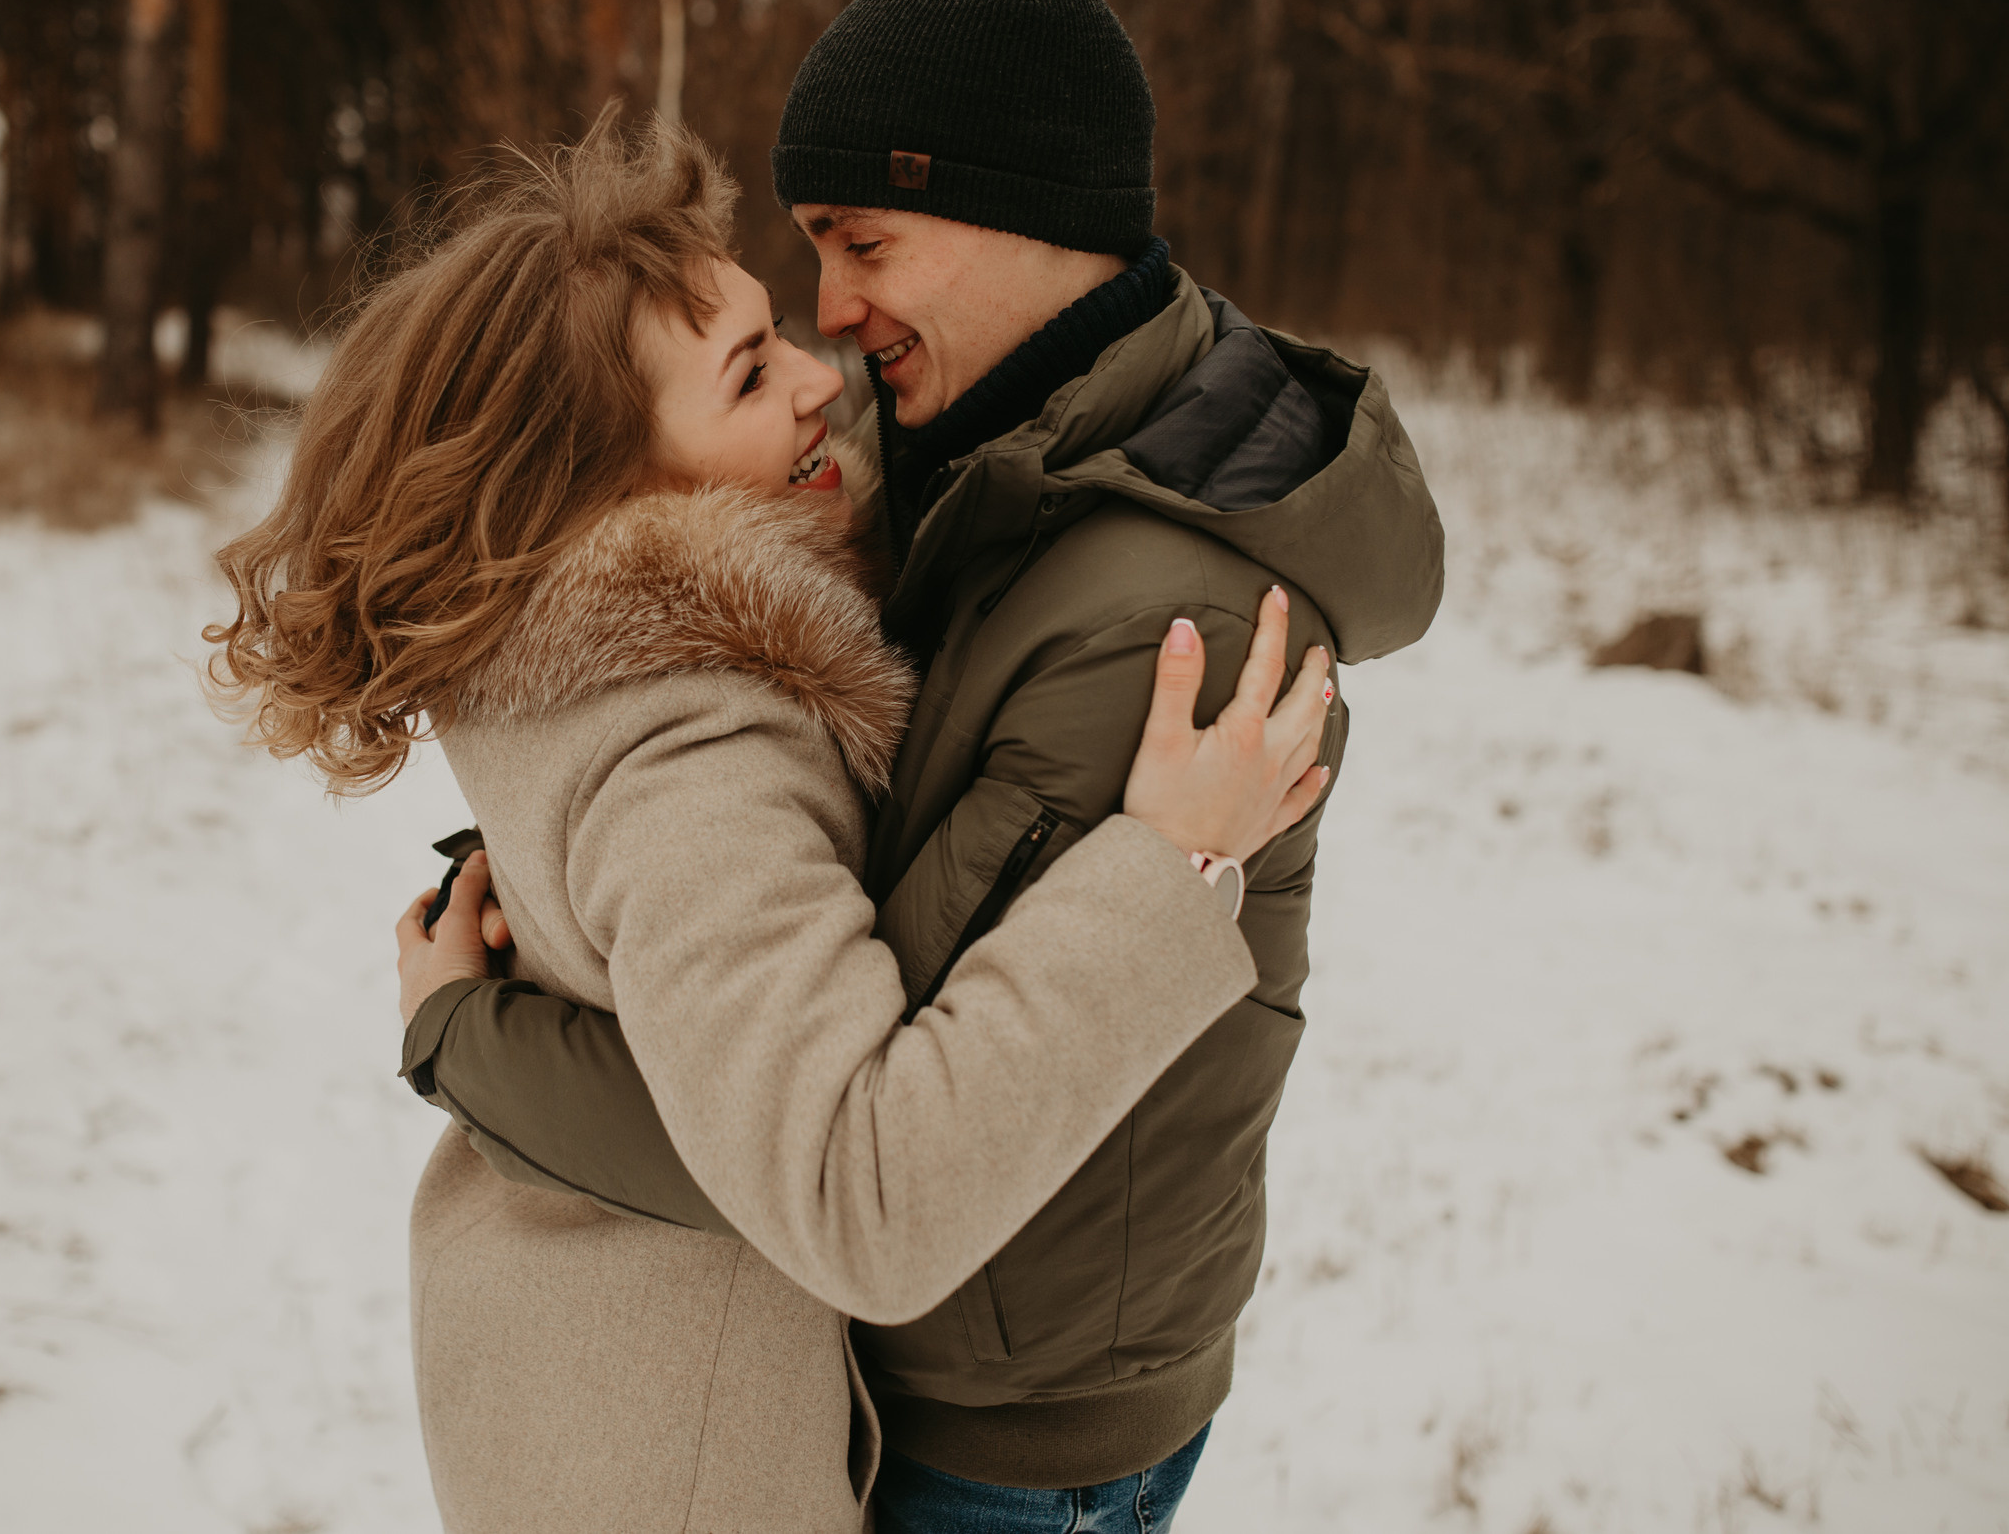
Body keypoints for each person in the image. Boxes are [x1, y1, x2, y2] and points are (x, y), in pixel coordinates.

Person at [390, 0, 1447, 1531]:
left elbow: (847, 1154)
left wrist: (480, 1041)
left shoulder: (1158, 621)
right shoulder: (983, 473)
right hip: (931, 1372)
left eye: (861, 243)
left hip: (1005, 1433)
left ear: (1018, 212)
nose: (832, 321)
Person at [210, 110, 1347, 1531]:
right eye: (752, 374)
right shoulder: (691, 756)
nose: (822, 378)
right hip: (669, 1472)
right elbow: (863, 1196)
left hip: (588, 1392)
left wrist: (475, 1037)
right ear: (604, 486)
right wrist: (1173, 864)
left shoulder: (584, 642)